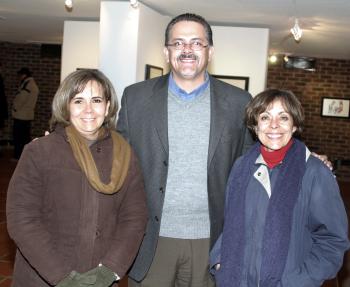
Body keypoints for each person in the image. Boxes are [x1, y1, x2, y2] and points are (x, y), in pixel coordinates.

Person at [117, 13, 254, 287]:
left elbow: (253, 163)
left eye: (196, 43)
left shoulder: (239, 102)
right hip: (151, 239)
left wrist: (309, 159)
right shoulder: (136, 97)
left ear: (210, 51)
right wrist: (65, 145)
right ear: (166, 52)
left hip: (211, 240)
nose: (187, 50)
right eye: (178, 43)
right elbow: (116, 156)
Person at [6, 69, 148, 287]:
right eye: (78, 101)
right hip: (43, 278)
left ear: (108, 106)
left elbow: (134, 218)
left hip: (101, 279)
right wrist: (63, 278)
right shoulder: (40, 151)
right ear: (66, 106)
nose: (88, 110)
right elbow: (22, 220)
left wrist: (109, 271)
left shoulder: (125, 154)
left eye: (97, 100)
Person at [210, 89, 349, 287]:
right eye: (265, 117)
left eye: (283, 117)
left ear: (294, 125)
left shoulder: (315, 173)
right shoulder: (241, 167)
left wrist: (298, 281)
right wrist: (218, 261)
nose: (274, 125)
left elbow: (333, 240)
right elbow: (230, 223)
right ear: (255, 125)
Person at [11, 67, 39, 159]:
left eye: (20, 75)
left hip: (21, 115)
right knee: (24, 137)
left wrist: (15, 108)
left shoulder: (27, 84)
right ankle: (25, 156)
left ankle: (18, 156)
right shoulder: (31, 84)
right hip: (26, 115)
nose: (18, 77)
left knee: (19, 138)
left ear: (24, 75)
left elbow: (21, 99)